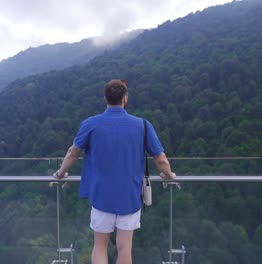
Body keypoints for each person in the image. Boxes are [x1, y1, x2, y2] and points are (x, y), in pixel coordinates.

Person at [53, 79, 176, 264]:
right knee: (125, 249)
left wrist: (61, 174)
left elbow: (73, 153)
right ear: (125, 98)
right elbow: (161, 159)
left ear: (105, 98)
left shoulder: (91, 123)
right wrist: (169, 176)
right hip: (130, 196)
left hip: (101, 196)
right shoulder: (142, 125)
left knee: (100, 246)